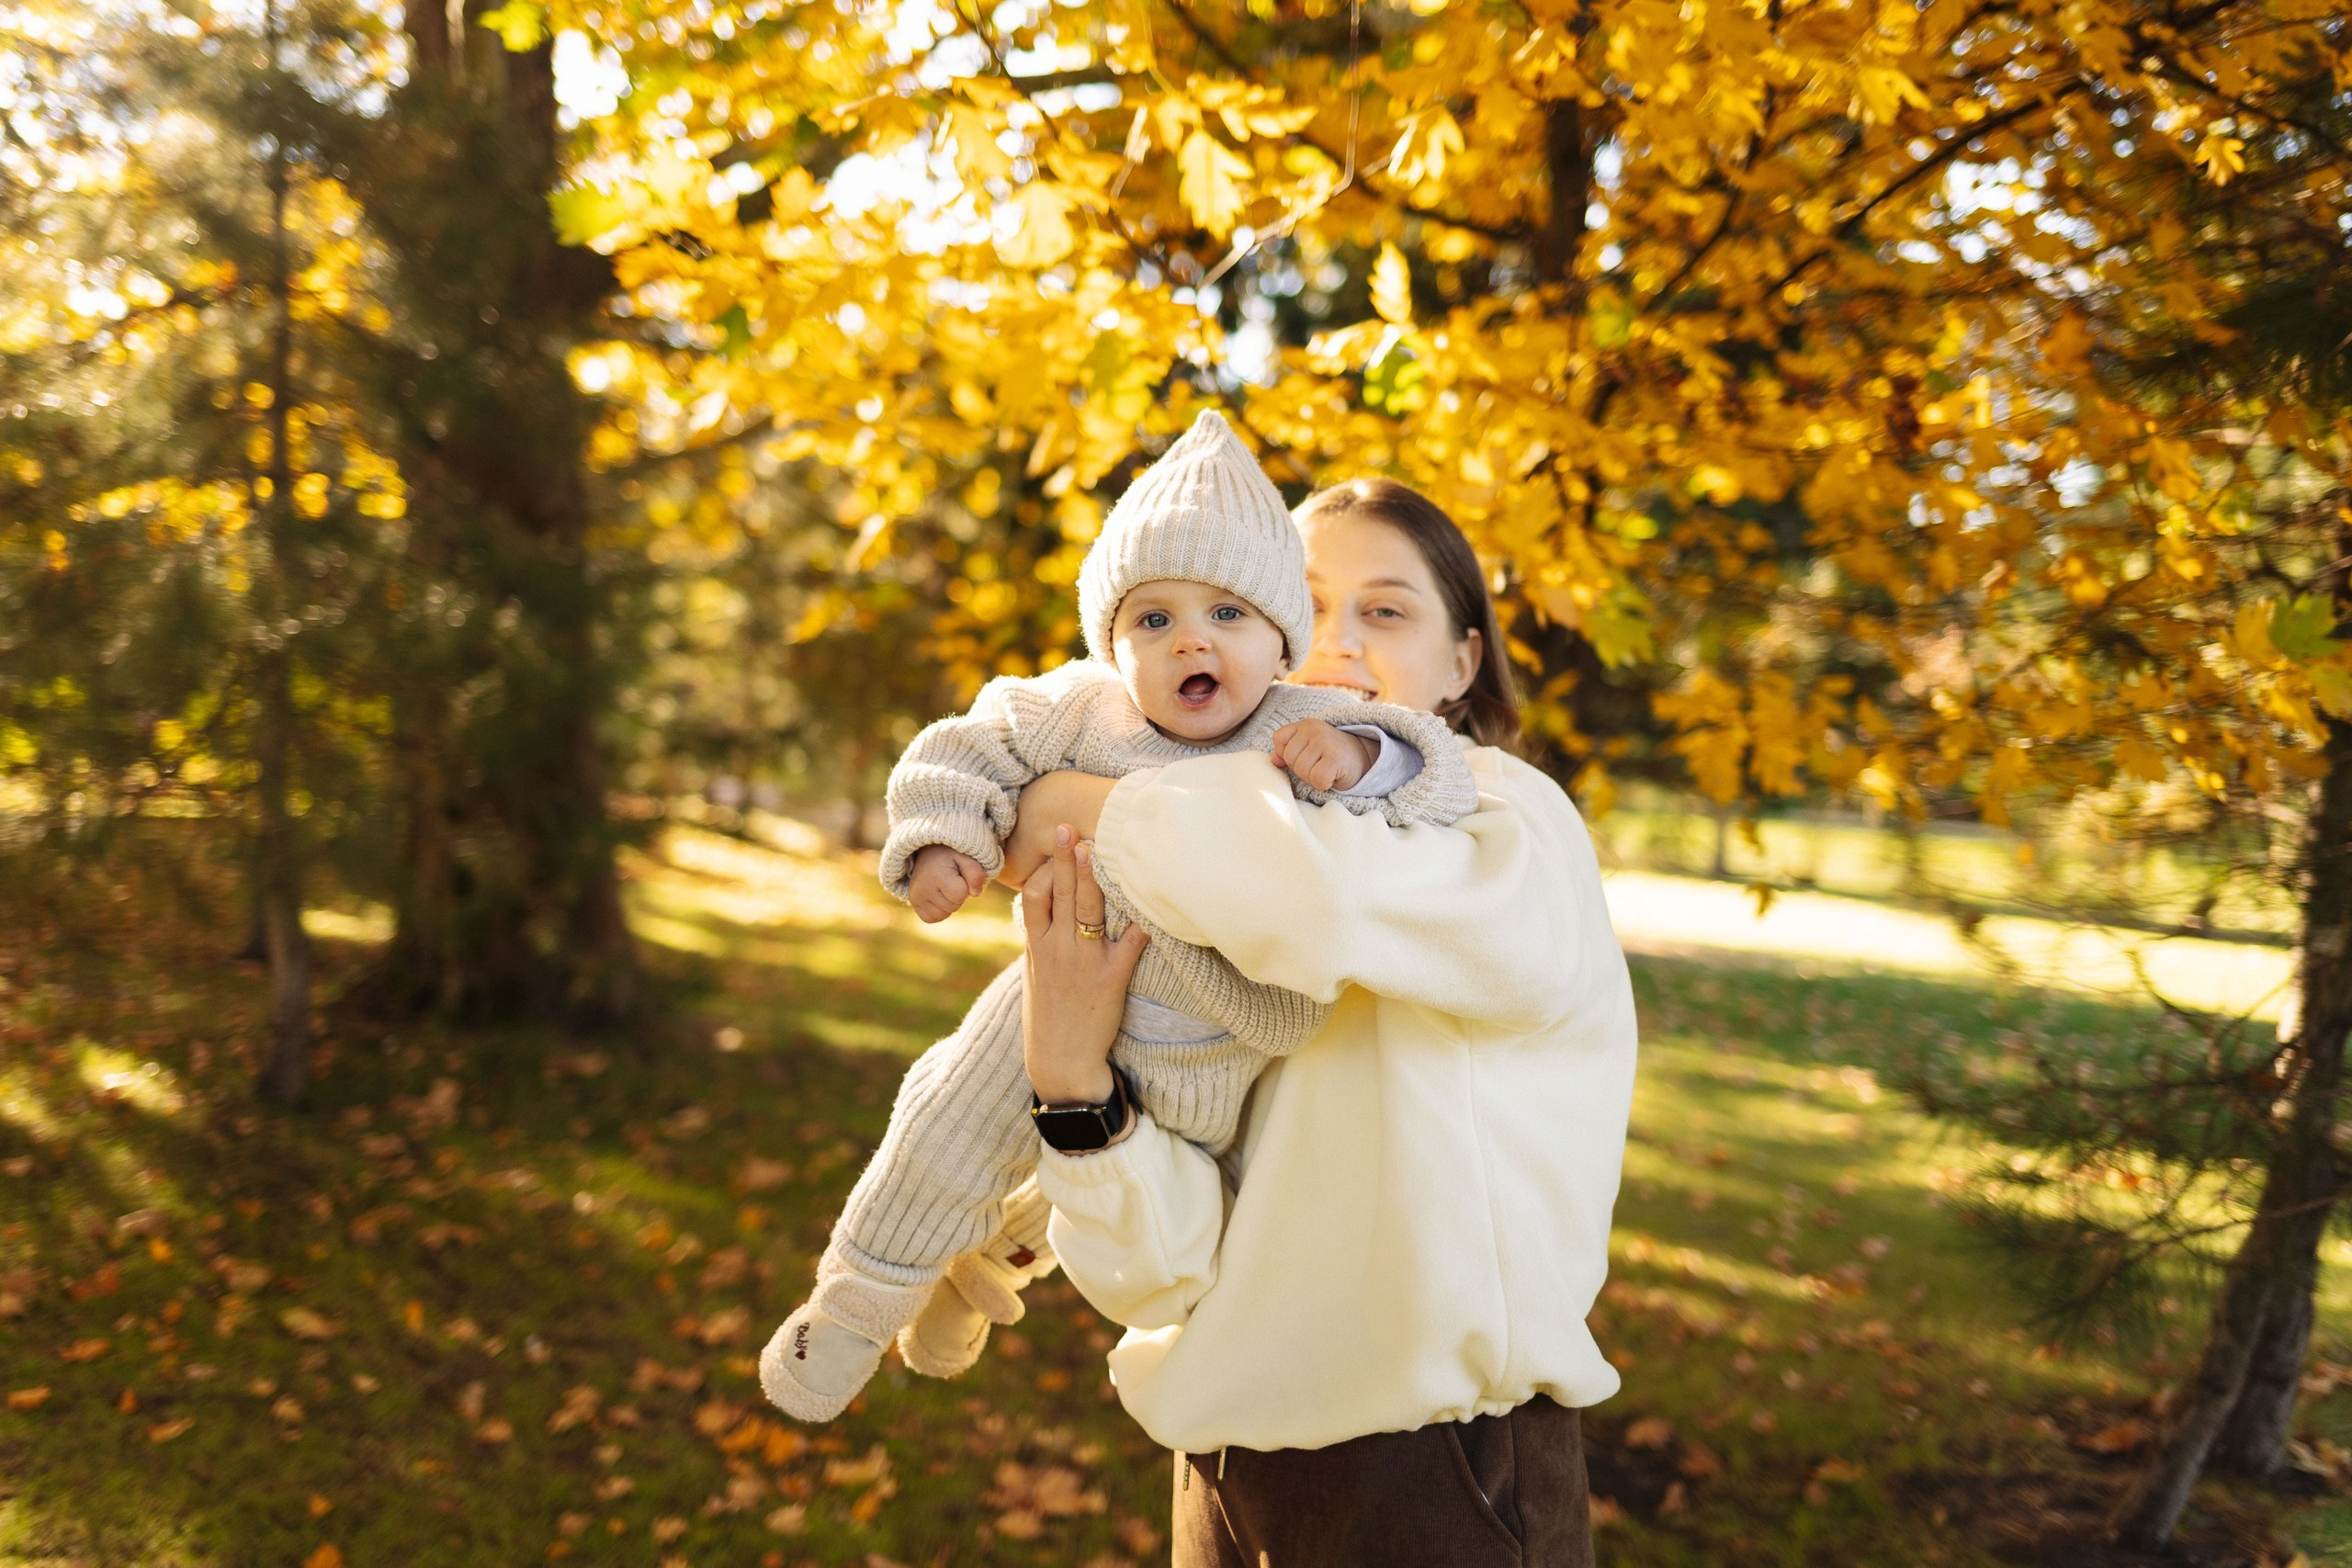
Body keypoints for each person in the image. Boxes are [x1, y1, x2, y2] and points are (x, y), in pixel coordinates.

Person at [758, 418, 1479, 1422]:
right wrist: (942, 840)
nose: (1191, 639)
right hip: (1064, 975)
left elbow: (1434, 769)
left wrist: (1361, 761)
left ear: (1279, 641)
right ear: (1109, 640)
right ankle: (853, 1306)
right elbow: (959, 750)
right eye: (1153, 620)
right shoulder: (1078, 710)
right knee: (945, 1119)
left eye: (1228, 612)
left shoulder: (1300, 719)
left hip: (1227, 1043)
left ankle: (975, 1270)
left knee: (1108, 1194)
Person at [1011, 478, 1638, 1566]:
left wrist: (1078, 806)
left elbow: (1322, 899)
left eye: (1386, 612)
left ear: (1460, 665)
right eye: (1300, 608)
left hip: (1437, 1478)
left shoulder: (1507, 818)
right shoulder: (1208, 884)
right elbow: (1164, 1276)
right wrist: (1073, 1086)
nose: (1337, 647)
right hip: (1222, 1470)